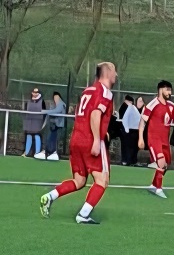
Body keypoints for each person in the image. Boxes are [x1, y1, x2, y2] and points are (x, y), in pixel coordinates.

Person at [39, 63, 118, 225]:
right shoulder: (105, 92)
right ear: (108, 72)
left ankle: (50, 196)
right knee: (102, 180)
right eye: (114, 71)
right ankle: (83, 215)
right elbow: (95, 114)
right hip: (90, 140)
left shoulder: (87, 91)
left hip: (76, 139)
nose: (116, 74)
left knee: (79, 181)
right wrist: (96, 140)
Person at [138, 81, 174, 199]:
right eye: (167, 90)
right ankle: (158, 189)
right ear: (160, 90)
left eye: (170, 90)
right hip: (154, 139)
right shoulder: (153, 104)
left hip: (165, 140)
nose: (170, 92)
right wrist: (140, 138)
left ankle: (153, 185)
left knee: (165, 165)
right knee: (161, 162)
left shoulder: (171, 105)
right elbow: (142, 121)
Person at [37, 92, 66, 160]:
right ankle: (50, 152)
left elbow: (56, 111)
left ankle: (54, 153)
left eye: (57, 97)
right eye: (54, 98)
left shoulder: (61, 104)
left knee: (55, 140)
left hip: (58, 126)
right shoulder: (55, 104)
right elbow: (52, 111)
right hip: (54, 125)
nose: (55, 99)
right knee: (51, 139)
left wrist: (43, 111)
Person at [22, 88, 45, 157]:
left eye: (36, 93)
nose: (35, 94)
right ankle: (26, 152)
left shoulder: (42, 102)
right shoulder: (28, 101)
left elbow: (44, 111)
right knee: (29, 135)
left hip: (38, 121)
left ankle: (37, 153)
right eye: (34, 92)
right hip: (29, 121)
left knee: (37, 135)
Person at [120, 95, 141, 166]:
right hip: (130, 130)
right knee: (128, 146)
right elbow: (125, 118)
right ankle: (127, 160)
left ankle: (132, 160)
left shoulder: (134, 109)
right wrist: (126, 129)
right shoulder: (130, 107)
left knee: (134, 147)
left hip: (135, 130)